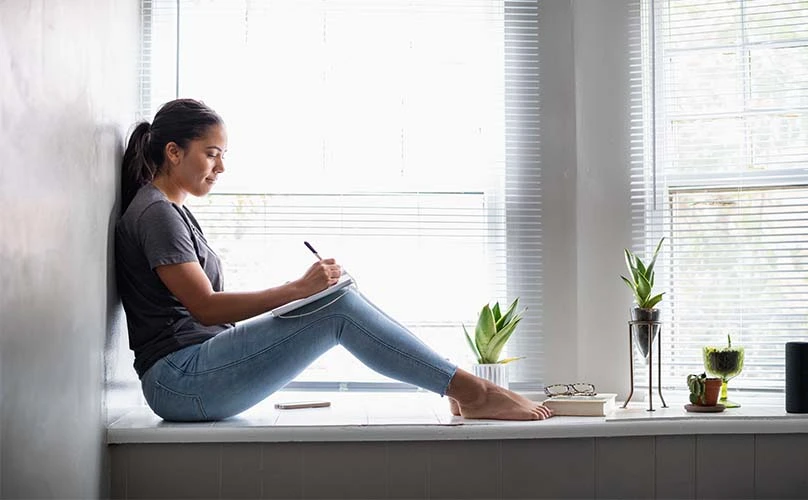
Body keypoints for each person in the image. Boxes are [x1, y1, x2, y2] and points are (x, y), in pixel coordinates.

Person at [115, 98, 552, 422]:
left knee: (338, 298)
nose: (221, 167)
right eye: (211, 153)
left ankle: (463, 390)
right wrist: (298, 290)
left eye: (223, 155)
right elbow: (205, 306)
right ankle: (472, 391)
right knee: (336, 309)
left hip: (191, 373)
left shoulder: (171, 211)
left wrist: (300, 300)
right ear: (173, 152)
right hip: (178, 382)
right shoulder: (156, 213)